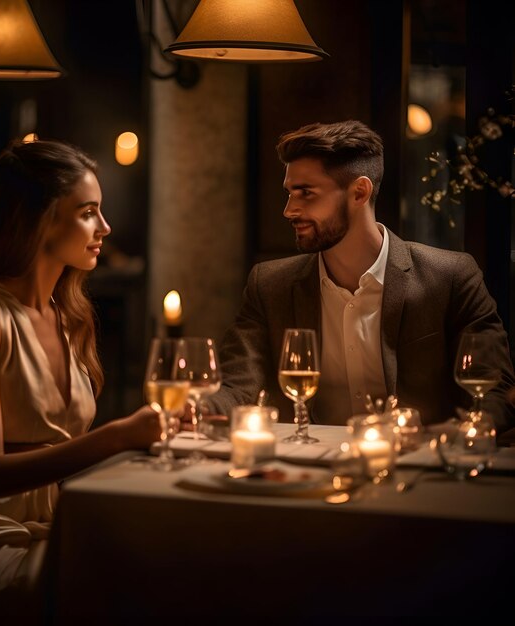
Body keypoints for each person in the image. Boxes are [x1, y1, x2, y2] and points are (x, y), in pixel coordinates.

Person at [0, 138, 161, 621]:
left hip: (61, 521)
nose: (105, 227)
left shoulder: (69, 315)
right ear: (40, 219)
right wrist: (117, 437)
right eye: (88, 212)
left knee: (171, 555)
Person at [206, 120, 515, 435]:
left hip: (419, 471)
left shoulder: (450, 278)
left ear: (359, 192)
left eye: (306, 194)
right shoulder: (270, 285)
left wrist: (469, 431)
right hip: (307, 471)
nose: (289, 209)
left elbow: (493, 388)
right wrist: (193, 408)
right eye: (289, 193)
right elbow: (236, 386)